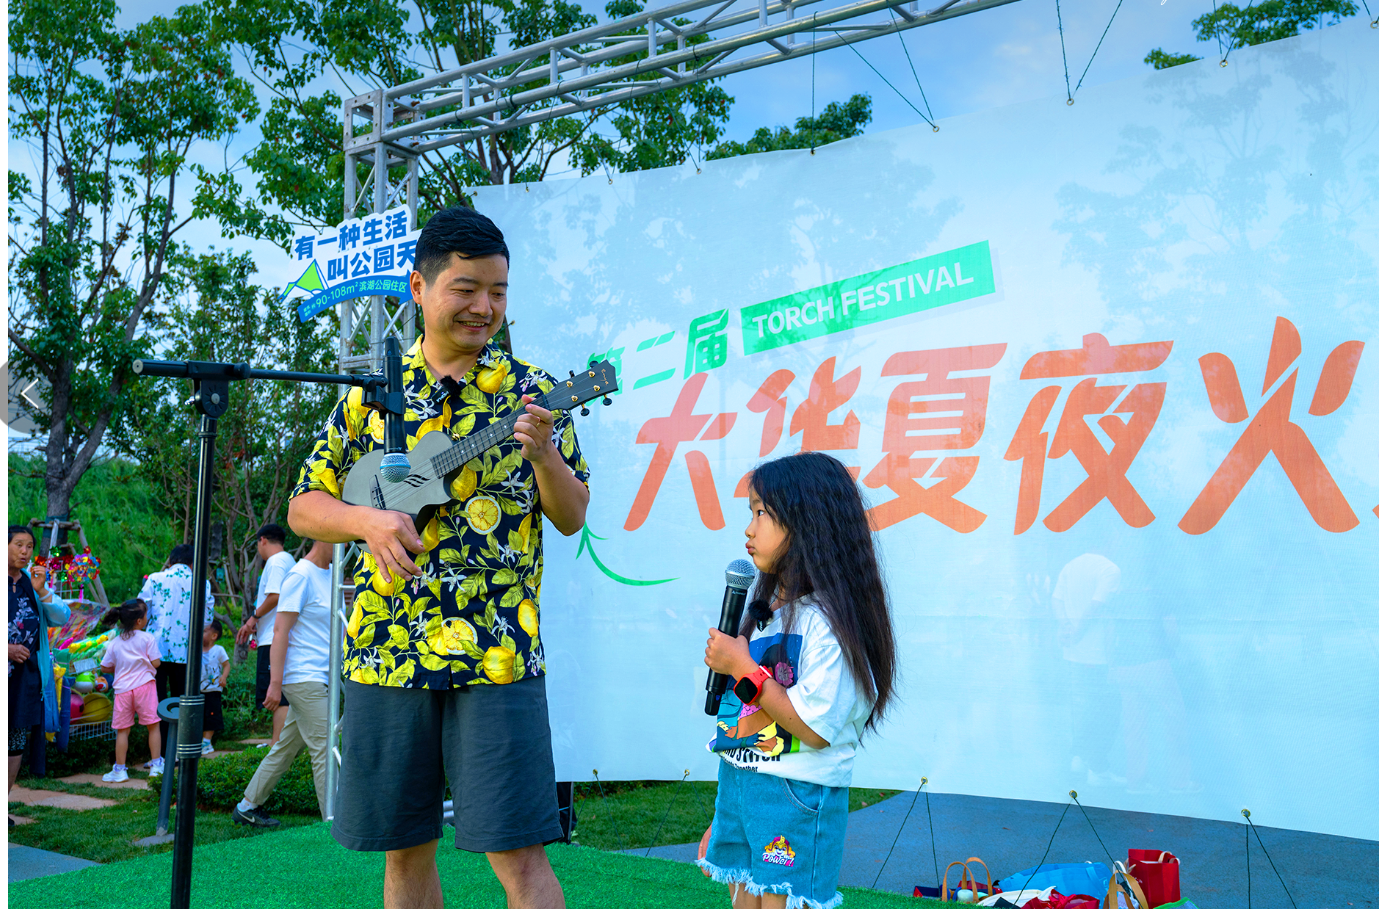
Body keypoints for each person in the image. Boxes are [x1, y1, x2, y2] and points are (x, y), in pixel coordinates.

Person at [286, 205, 589, 909]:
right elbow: (304, 506)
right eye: (467, 288)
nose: (485, 307)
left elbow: (572, 516)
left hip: (498, 650)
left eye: (498, 292)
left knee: (520, 852)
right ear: (419, 288)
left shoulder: (534, 392)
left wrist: (544, 454)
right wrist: (367, 521)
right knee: (404, 849)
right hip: (387, 649)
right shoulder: (369, 397)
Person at [700, 452, 897, 910]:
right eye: (750, 513)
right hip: (744, 785)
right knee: (744, 902)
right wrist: (729, 808)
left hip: (796, 793)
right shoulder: (765, 616)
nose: (749, 530)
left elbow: (813, 728)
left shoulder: (827, 622)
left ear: (807, 524)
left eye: (761, 513)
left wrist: (743, 668)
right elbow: (743, 716)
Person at [232, 540, 334, 826]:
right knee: (326, 747)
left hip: (320, 676)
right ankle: (334, 822)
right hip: (303, 677)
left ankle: (247, 806)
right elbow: (280, 631)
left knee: (286, 747)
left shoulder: (331, 575)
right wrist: (275, 684)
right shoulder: (300, 575)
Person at [8, 526, 70, 815]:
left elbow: (62, 616)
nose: (25, 551)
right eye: (18, 544)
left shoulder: (31, 584)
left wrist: (42, 590)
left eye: (29, 546)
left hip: (25, 678)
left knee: (15, 743)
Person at [139, 543, 213, 752]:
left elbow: (141, 612)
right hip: (187, 652)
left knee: (157, 700)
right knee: (183, 700)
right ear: (192, 564)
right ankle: (182, 750)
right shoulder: (202, 583)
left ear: (170, 562)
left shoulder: (155, 579)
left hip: (156, 651)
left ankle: (160, 753)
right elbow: (207, 620)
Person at [236, 523, 296, 746]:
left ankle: (276, 747)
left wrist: (253, 617)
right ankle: (279, 744)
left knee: (278, 698)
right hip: (278, 635)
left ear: (262, 540)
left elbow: (275, 595)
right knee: (281, 695)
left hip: (274, 638)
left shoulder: (276, 561)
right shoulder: (288, 560)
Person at [97, 599, 163, 782]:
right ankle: (156, 766)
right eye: (146, 615)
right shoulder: (147, 638)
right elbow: (156, 663)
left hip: (123, 690)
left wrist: (120, 667)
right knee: (153, 726)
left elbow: (104, 667)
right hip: (145, 687)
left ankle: (120, 770)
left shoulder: (116, 642)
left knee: (122, 731)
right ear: (139, 621)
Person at [200, 619, 230, 756]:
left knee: (211, 716)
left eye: (204, 631)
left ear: (214, 636)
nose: (201, 633)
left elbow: (226, 665)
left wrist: (223, 677)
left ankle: (207, 742)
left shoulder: (218, 650)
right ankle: (200, 741)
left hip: (213, 690)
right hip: (199, 690)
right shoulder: (196, 649)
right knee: (200, 715)